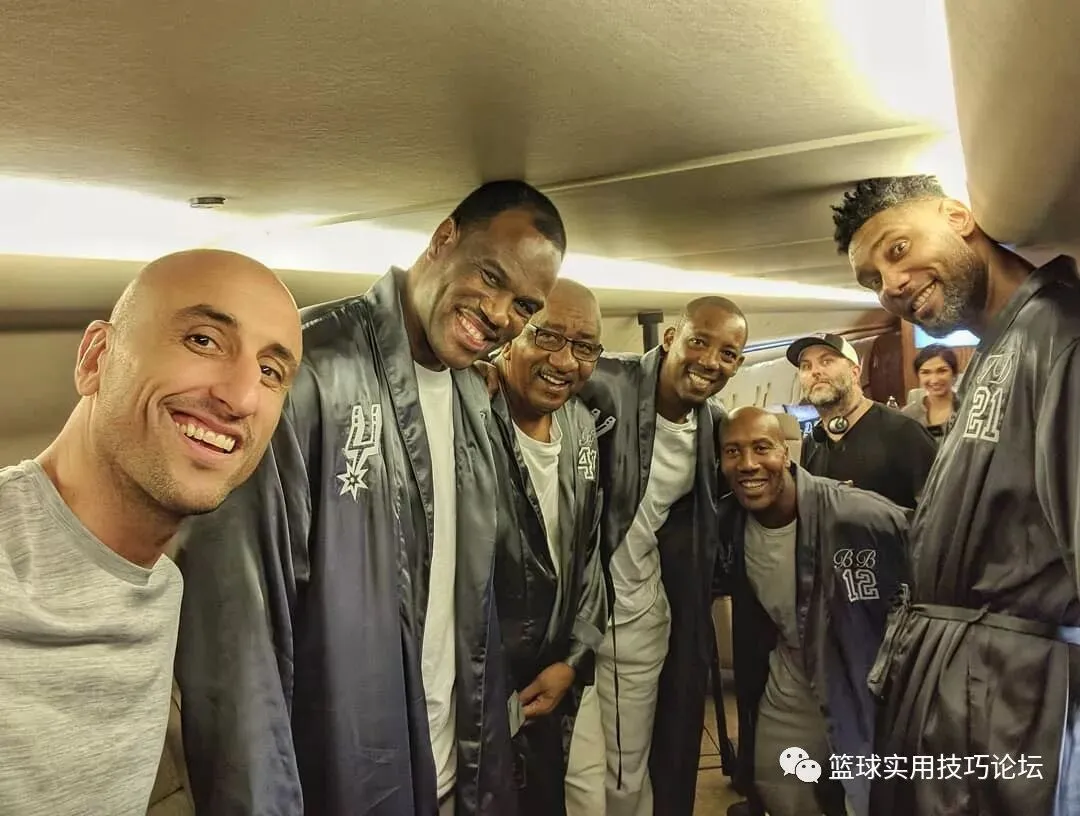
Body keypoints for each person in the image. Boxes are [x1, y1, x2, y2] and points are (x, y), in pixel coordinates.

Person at [174, 181, 566, 816]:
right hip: (344, 774)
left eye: (523, 305)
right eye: (490, 277)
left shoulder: (472, 394)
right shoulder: (309, 369)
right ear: (444, 238)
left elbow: (475, 601)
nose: (499, 313)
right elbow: (236, 634)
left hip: (457, 764)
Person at [0, 249, 302, 816]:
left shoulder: (163, 585)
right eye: (203, 341)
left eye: (270, 372)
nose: (240, 398)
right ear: (96, 358)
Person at [835, 174, 1080, 815]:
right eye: (872, 280)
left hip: (1022, 705)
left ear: (957, 216)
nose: (891, 284)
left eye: (897, 249)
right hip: (962, 688)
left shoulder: (1061, 335)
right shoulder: (1002, 346)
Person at [576, 296, 748, 816]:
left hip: (635, 614)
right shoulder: (602, 381)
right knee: (573, 770)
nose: (710, 361)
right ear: (671, 338)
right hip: (567, 613)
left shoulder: (715, 427)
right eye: (699, 341)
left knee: (625, 769)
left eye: (728, 353)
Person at [717, 407, 909, 816]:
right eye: (733, 451)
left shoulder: (858, 515)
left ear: (785, 454)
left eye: (761, 448)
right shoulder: (728, 524)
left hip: (866, 677)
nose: (748, 463)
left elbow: (929, 567)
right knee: (779, 783)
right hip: (794, 669)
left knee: (871, 796)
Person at [487, 279, 608, 816]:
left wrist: (572, 660)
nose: (564, 361)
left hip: (554, 673)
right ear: (512, 333)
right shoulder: (469, 413)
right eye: (548, 336)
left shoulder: (580, 425)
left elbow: (588, 556)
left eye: (584, 347)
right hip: (479, 681)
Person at [789, 332, 937, 508]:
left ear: (855, 373)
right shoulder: (812, 443)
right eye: (806, 366)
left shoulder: (903, 431)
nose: (815, 372)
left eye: (827, 361)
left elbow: (939, 509)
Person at [901, 343, 960, 443]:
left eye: (942, 371)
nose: (934, 380)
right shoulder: (908, 415)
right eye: (926, 372)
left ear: (954, 374)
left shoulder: (968, 410)